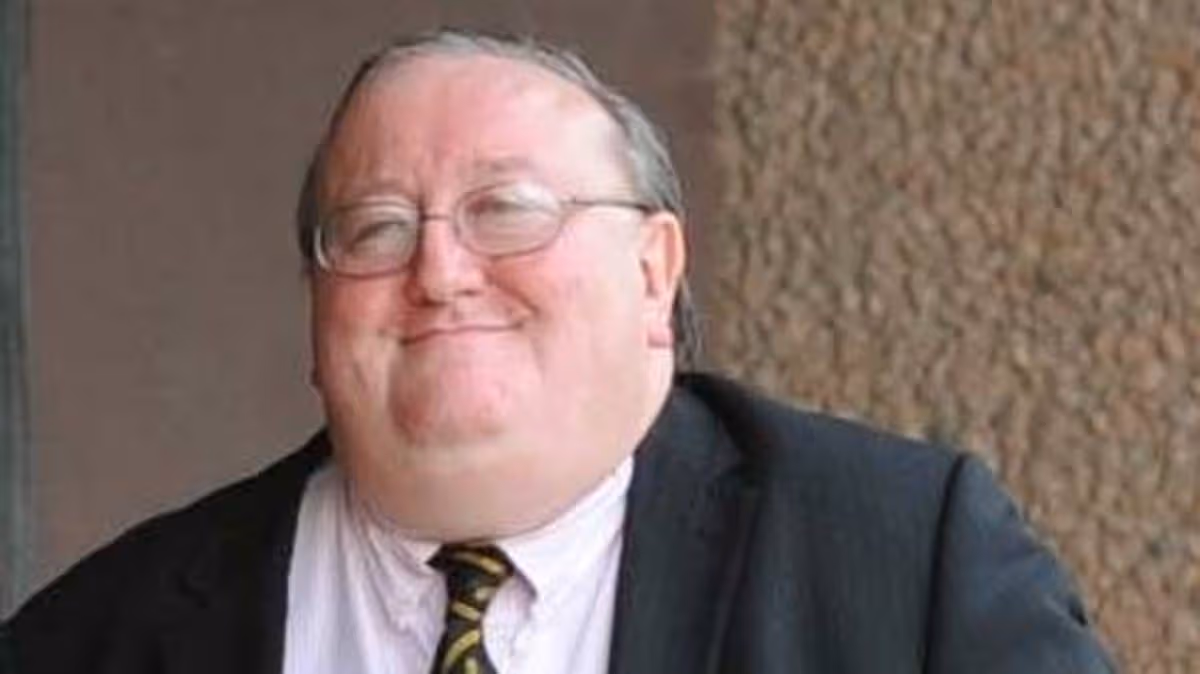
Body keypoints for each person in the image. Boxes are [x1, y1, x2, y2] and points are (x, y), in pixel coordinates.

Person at [3, 29, 1115, 673]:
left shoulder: (907, 570)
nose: (440, 271)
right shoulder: (102, 636)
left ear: (653, 274)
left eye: (508, 211)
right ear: (317, 304)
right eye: (377, 229)